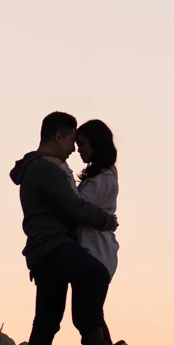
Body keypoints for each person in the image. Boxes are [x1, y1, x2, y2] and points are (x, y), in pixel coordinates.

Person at [9, 110, 126, 345]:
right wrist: (106, 220)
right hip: (53, 247)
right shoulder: (46, 169)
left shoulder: (39, 166)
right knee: (94, 274)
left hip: (42, 250)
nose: (74, 148)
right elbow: (73, 205)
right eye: (72, 140)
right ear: (58, 136)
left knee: (48, 317)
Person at [74, 119, 119, 277]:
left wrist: (61, 172)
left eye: (82, 144)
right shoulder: (103, 175)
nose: (78, 150)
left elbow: (78, 207)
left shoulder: (103, 177)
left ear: (96, 143)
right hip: (95, 255)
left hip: (96, 254)